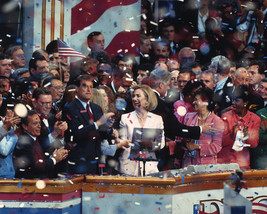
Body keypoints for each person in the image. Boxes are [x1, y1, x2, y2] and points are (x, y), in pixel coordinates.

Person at [62, 75, 114, 174]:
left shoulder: (96, 108)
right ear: (76, 88)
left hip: (96, 160)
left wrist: (107, 128)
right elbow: (76, 134)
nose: (89, 90)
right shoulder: (70, 108)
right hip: (78, 162)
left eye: (91, 87)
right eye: (85, 86)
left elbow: (101, 135)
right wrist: (98, 123)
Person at [117, 84, 165, 176]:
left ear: (147, 99)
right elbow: (123, 141)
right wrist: (130, 143)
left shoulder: (157, 119)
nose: (134, 99)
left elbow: (161, 143)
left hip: (149, 166)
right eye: (133, 96)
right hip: (129, 166)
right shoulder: (125, 118)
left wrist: (150, 144)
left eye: (138, 96)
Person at [13, 110, 69, 179]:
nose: (39, 126)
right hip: (28, 184)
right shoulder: (24, 143)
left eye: (39, 123)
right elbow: (37, 166)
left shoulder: (35, 139)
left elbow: (40, 159)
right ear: (25, 126)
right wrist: (54, 159)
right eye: (35, 123)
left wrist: (54, 156)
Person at [217, 85, 261, 170]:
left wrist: (247, 135)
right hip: (224, 163)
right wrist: (232, 134)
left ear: (245, 102)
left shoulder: (255, 119)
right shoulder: (226, 116)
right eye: (233, 99)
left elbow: (254, 144)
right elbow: (220, 143)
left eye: (237, 100)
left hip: (242, 163)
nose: (233, 103)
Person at [181, 87, 224, 167]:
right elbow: (182, 138)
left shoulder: (217, 121)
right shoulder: (188, 117)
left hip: (207, 165)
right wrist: (185, 144)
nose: (193, 102)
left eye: (196, 100)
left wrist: (197, 147)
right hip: (187, 163)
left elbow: (216, 147)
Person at [0, 110, 20, 178]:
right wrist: (5, 127)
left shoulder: (12, 128)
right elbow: (4, 151)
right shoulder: (2, 125)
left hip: (10, 174)